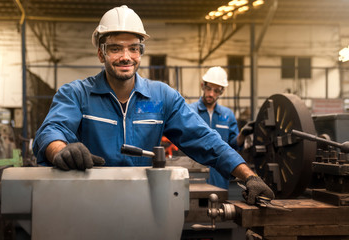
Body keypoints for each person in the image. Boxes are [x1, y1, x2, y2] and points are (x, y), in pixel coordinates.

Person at [32, 5, 273, 205]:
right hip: (88, 202)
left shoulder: (162, 97)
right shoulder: (76, 94)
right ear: (100, 54)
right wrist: (61, 150)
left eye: (133, 48)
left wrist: (249, 176)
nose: (126, 56)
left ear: (140, 52)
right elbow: (51, 131)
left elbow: (206, 140)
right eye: (115, 48)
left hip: (144, 203)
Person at [189, 67, 254, 189]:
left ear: (222, 91)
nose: (211, 94)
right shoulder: (190, 111)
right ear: (202, 86)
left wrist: (242, 135)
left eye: (216, 91)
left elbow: (233, 145)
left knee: (220, 204)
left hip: (220, 174)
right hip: (196, 172)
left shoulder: (227, 115)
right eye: (208, 89)